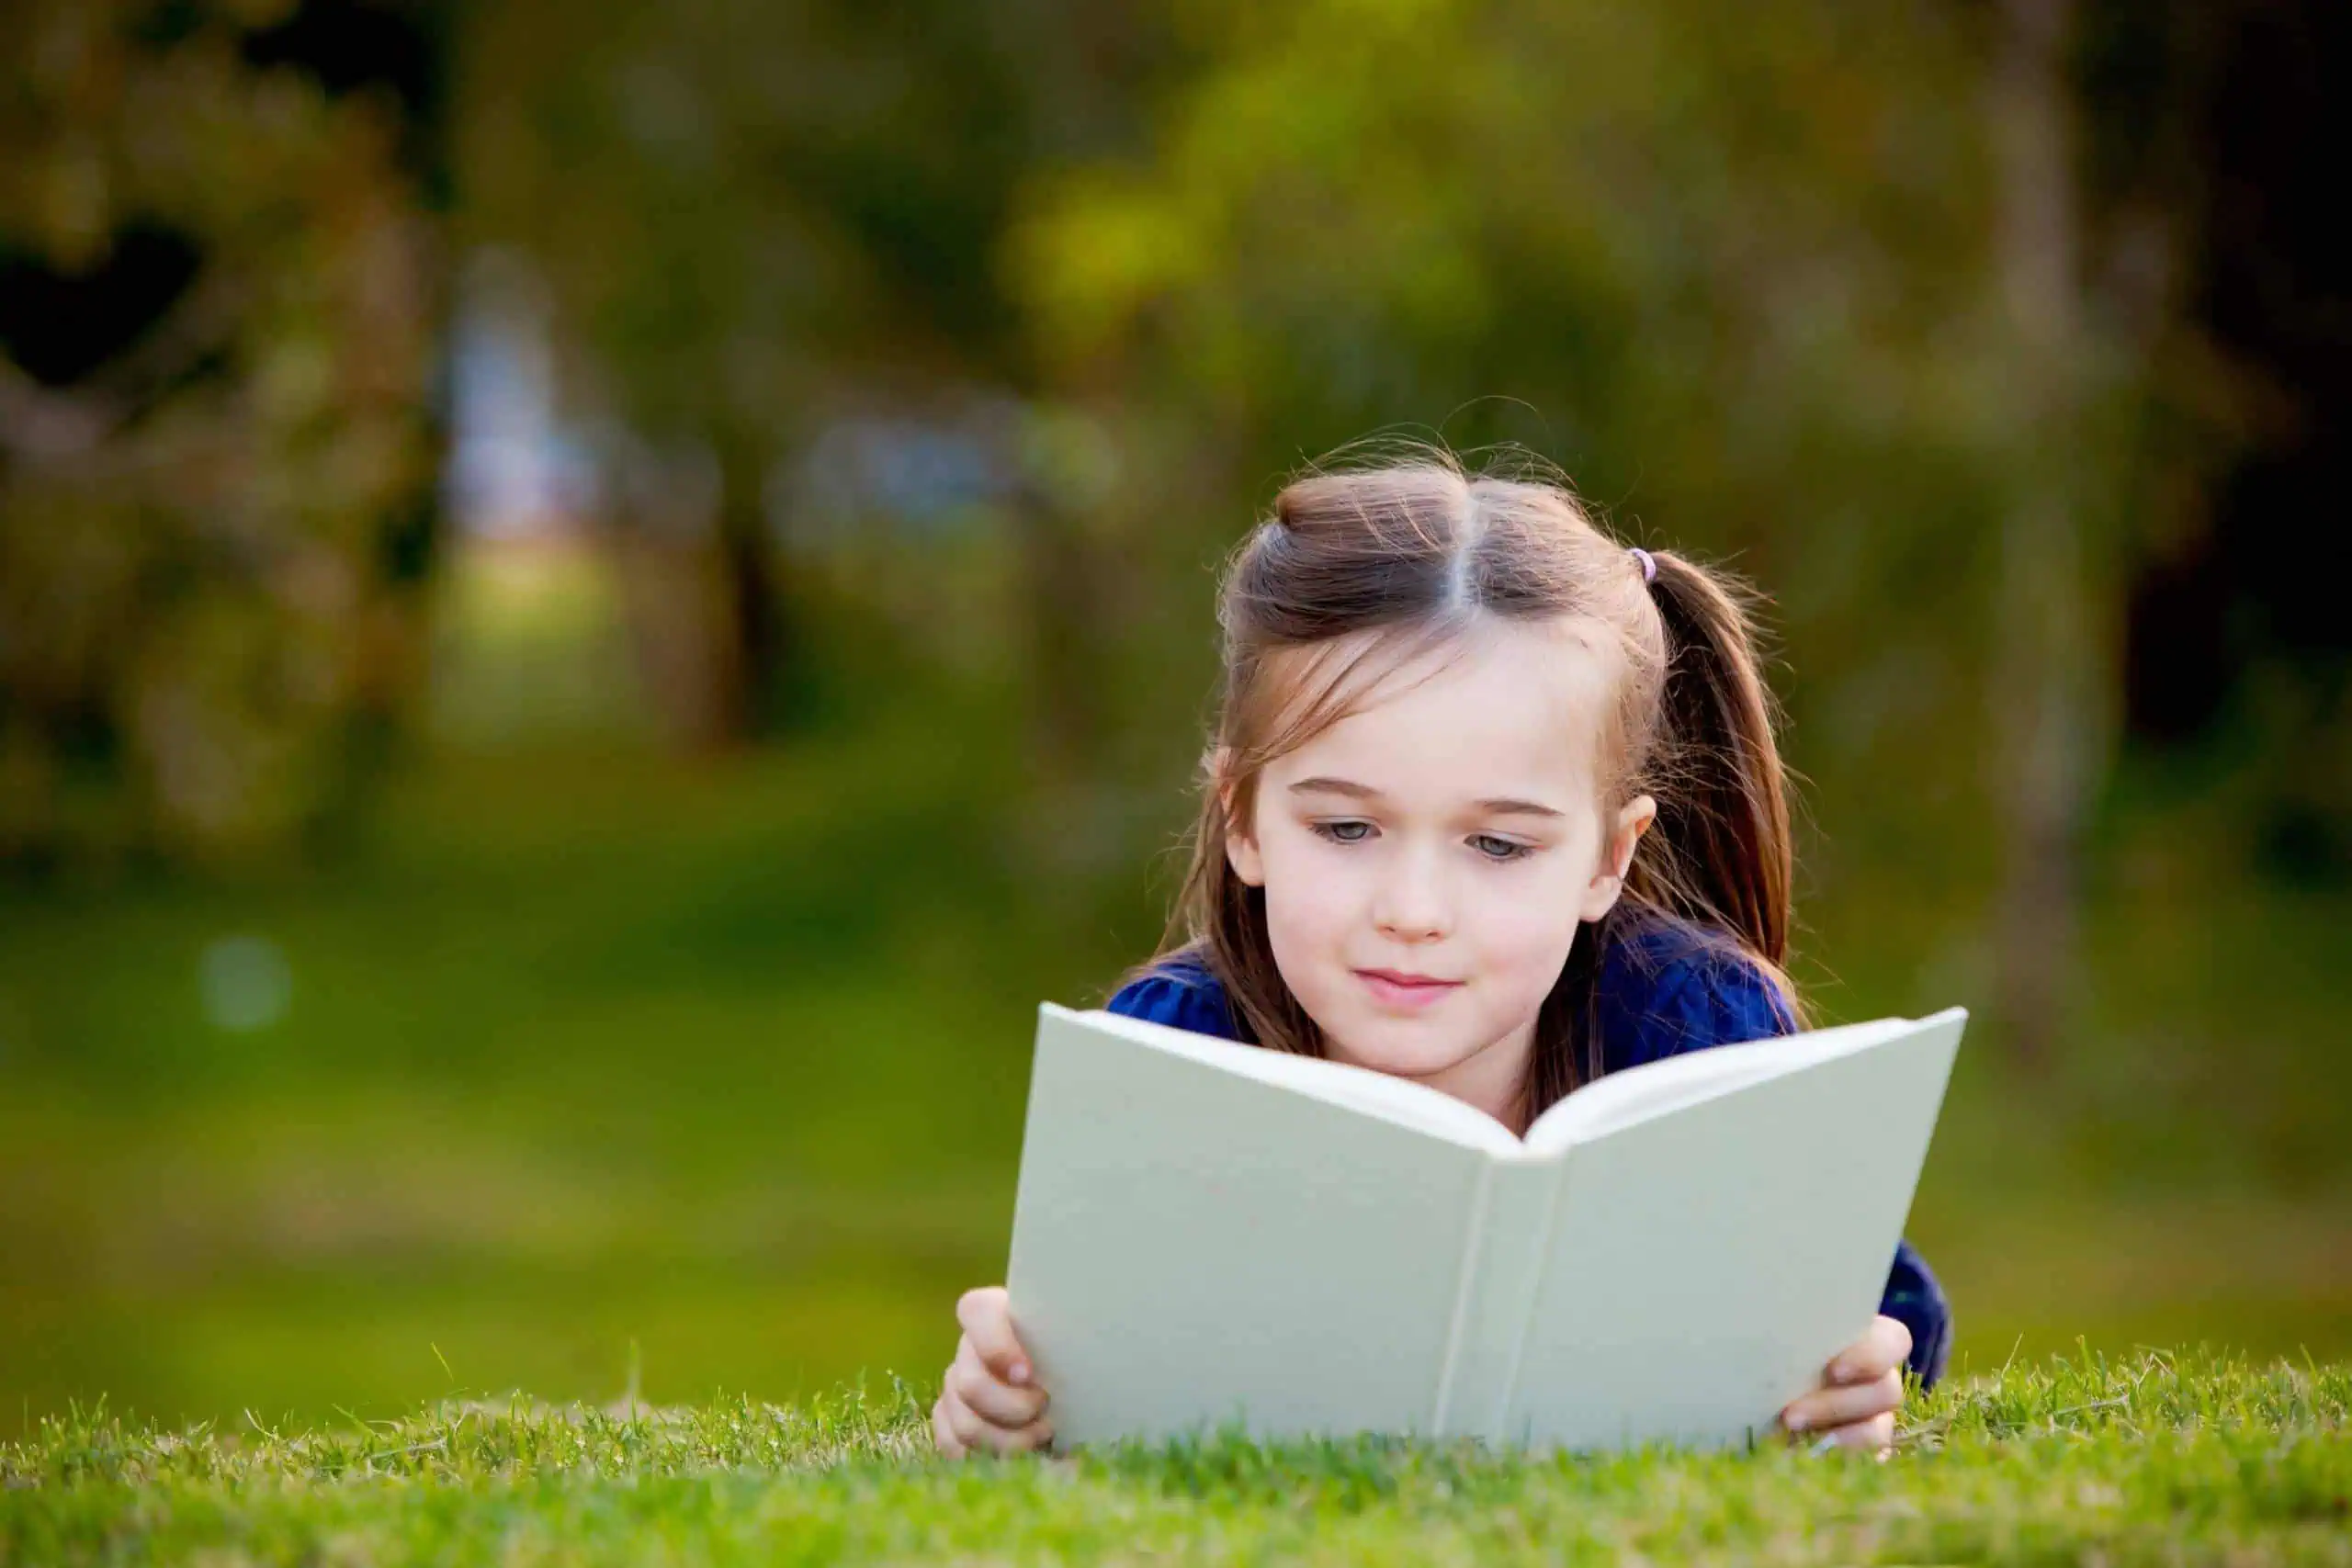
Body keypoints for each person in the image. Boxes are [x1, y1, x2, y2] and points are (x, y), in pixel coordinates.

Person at [933, 451, 1951, 1460]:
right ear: (1242, 818)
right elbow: (1083, 1376)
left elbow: (1854, 1331)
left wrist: (1847, 1388)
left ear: (1608, 858)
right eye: (1346, 828)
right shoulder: (1170, 1049)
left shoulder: (1697, 1021)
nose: (1414, 912)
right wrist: (1008, 1399)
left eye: (1498, 845)